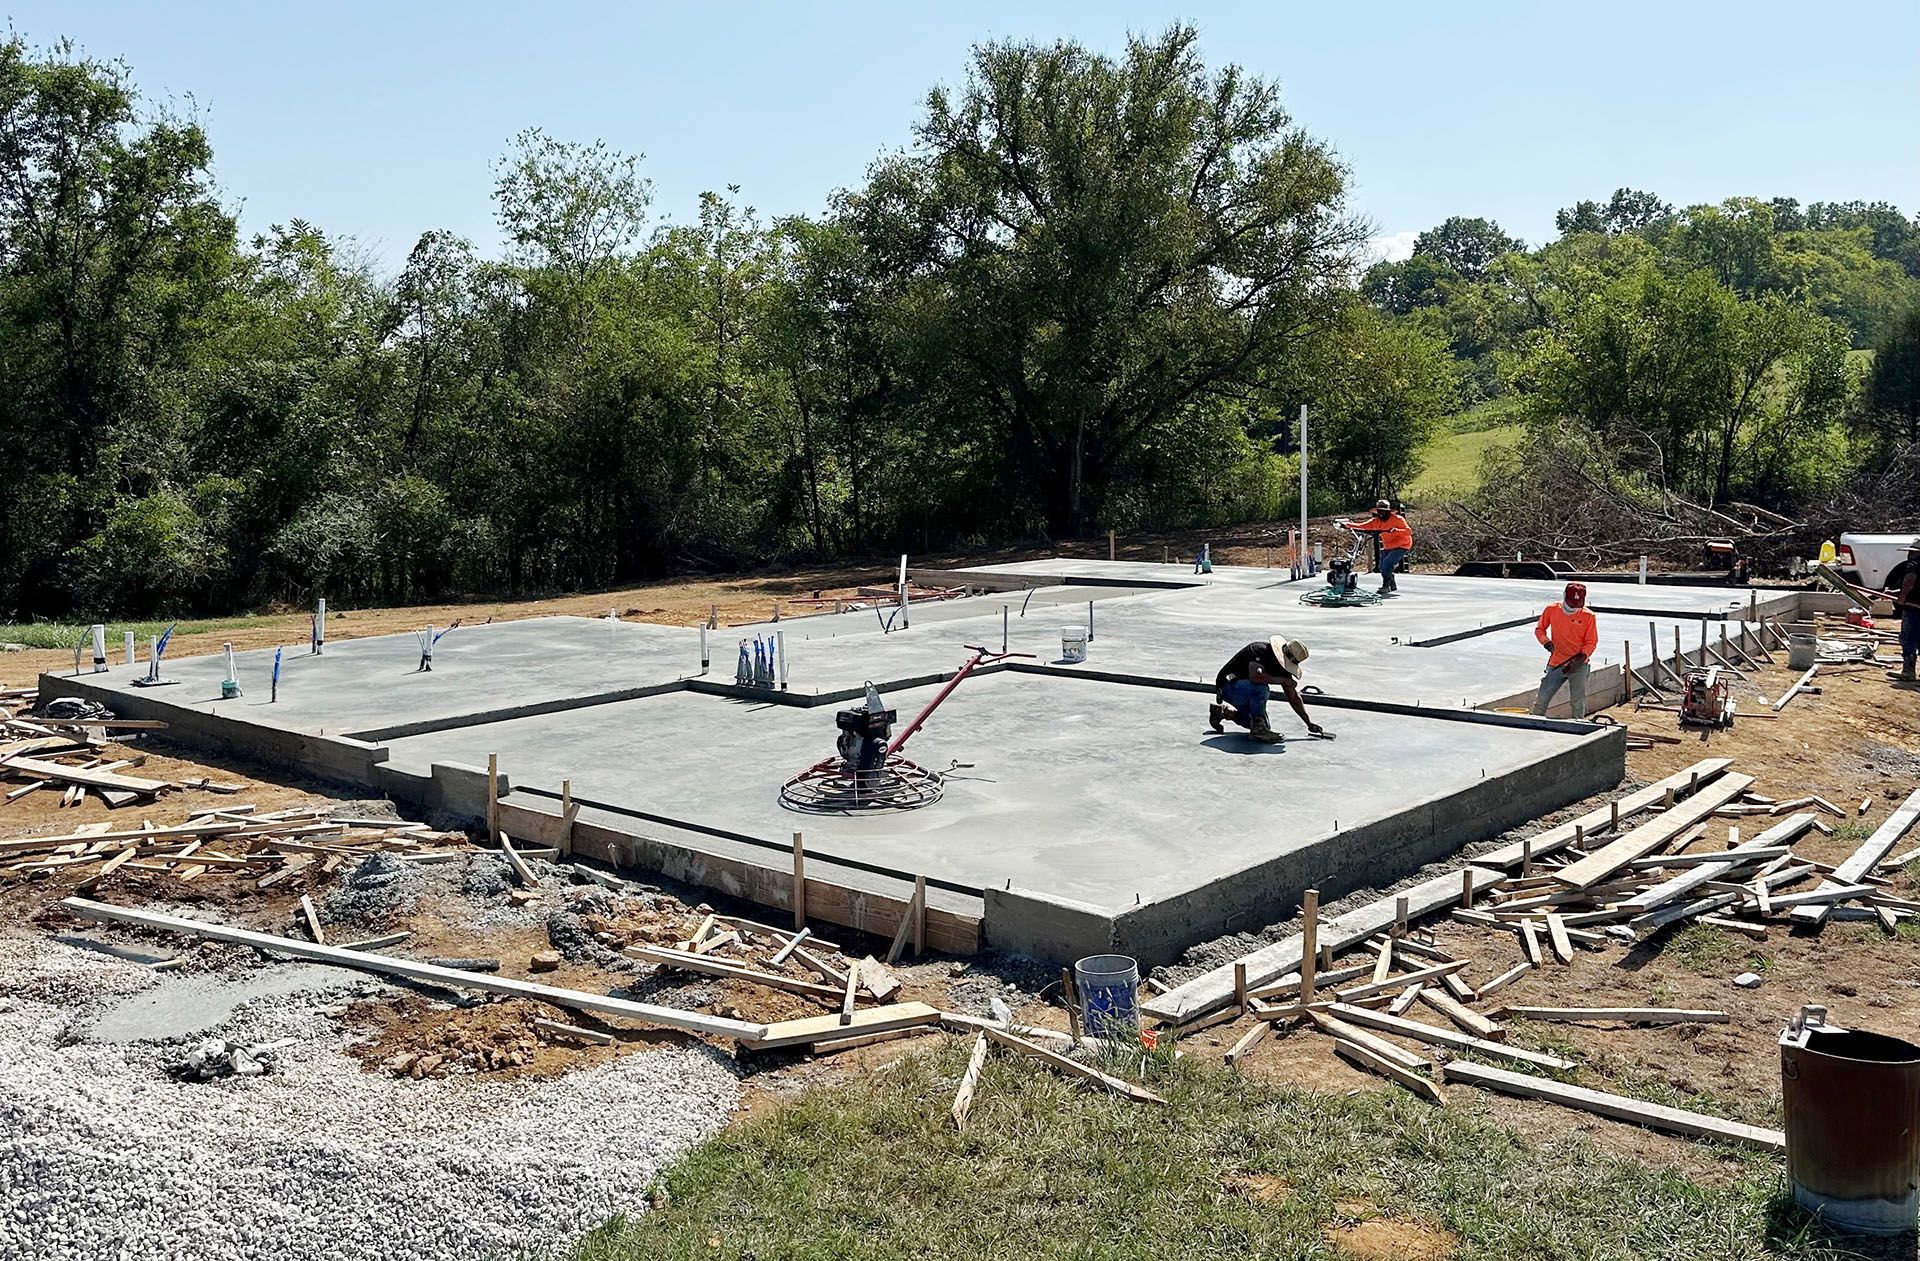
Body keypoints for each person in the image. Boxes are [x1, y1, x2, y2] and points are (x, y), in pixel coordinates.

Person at [1209, 636, 1328, 743]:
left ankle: (1223, 712)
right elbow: (1255, 676)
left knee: (1259, 724)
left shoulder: (1283, 669)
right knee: (1261, 689)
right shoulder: (1259, 650)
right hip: (1227, 685)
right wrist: (1283, 680)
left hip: (1243, 690)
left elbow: (1293, 697)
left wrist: (1308, 722)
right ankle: (1258, 732)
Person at [1531, 582, 1598, 718]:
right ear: (1564, 597)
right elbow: (1540, 629)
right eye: (1570, 604)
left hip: (1579, 664)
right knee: (1541, 700)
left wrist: (1580, 660)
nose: (1572, 608)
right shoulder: (1551, 610)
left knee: (1577, 702)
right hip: (1556, 663)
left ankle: (1578, 726)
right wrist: (1546, 642)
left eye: (1576, 605)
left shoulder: (1588, 616)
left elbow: (1591, 642)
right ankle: (1534, 722)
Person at [1344, 499, 1414, 594]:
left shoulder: (1398, 519)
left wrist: (1396, 530)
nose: (1381, 513)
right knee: (1382, 567)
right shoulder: (1376, 521)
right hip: (1388, 546)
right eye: (1379, 511)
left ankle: (1386, 586)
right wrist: (1347, 525)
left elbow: (1409, 531)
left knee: (1387, 563)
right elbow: (1362, 526)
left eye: (1383, 511)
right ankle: (1391, 580)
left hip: (1402, 545)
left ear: (1388, 511)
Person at [1884, 543, 1920, 685]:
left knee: (1908, 639)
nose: (1909, 554)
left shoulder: (1914, 565)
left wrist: (1902, 596)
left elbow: (1910, 582)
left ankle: (1908, 671)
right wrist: (1894, 593)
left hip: (1913, 608)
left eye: (1911, 552)